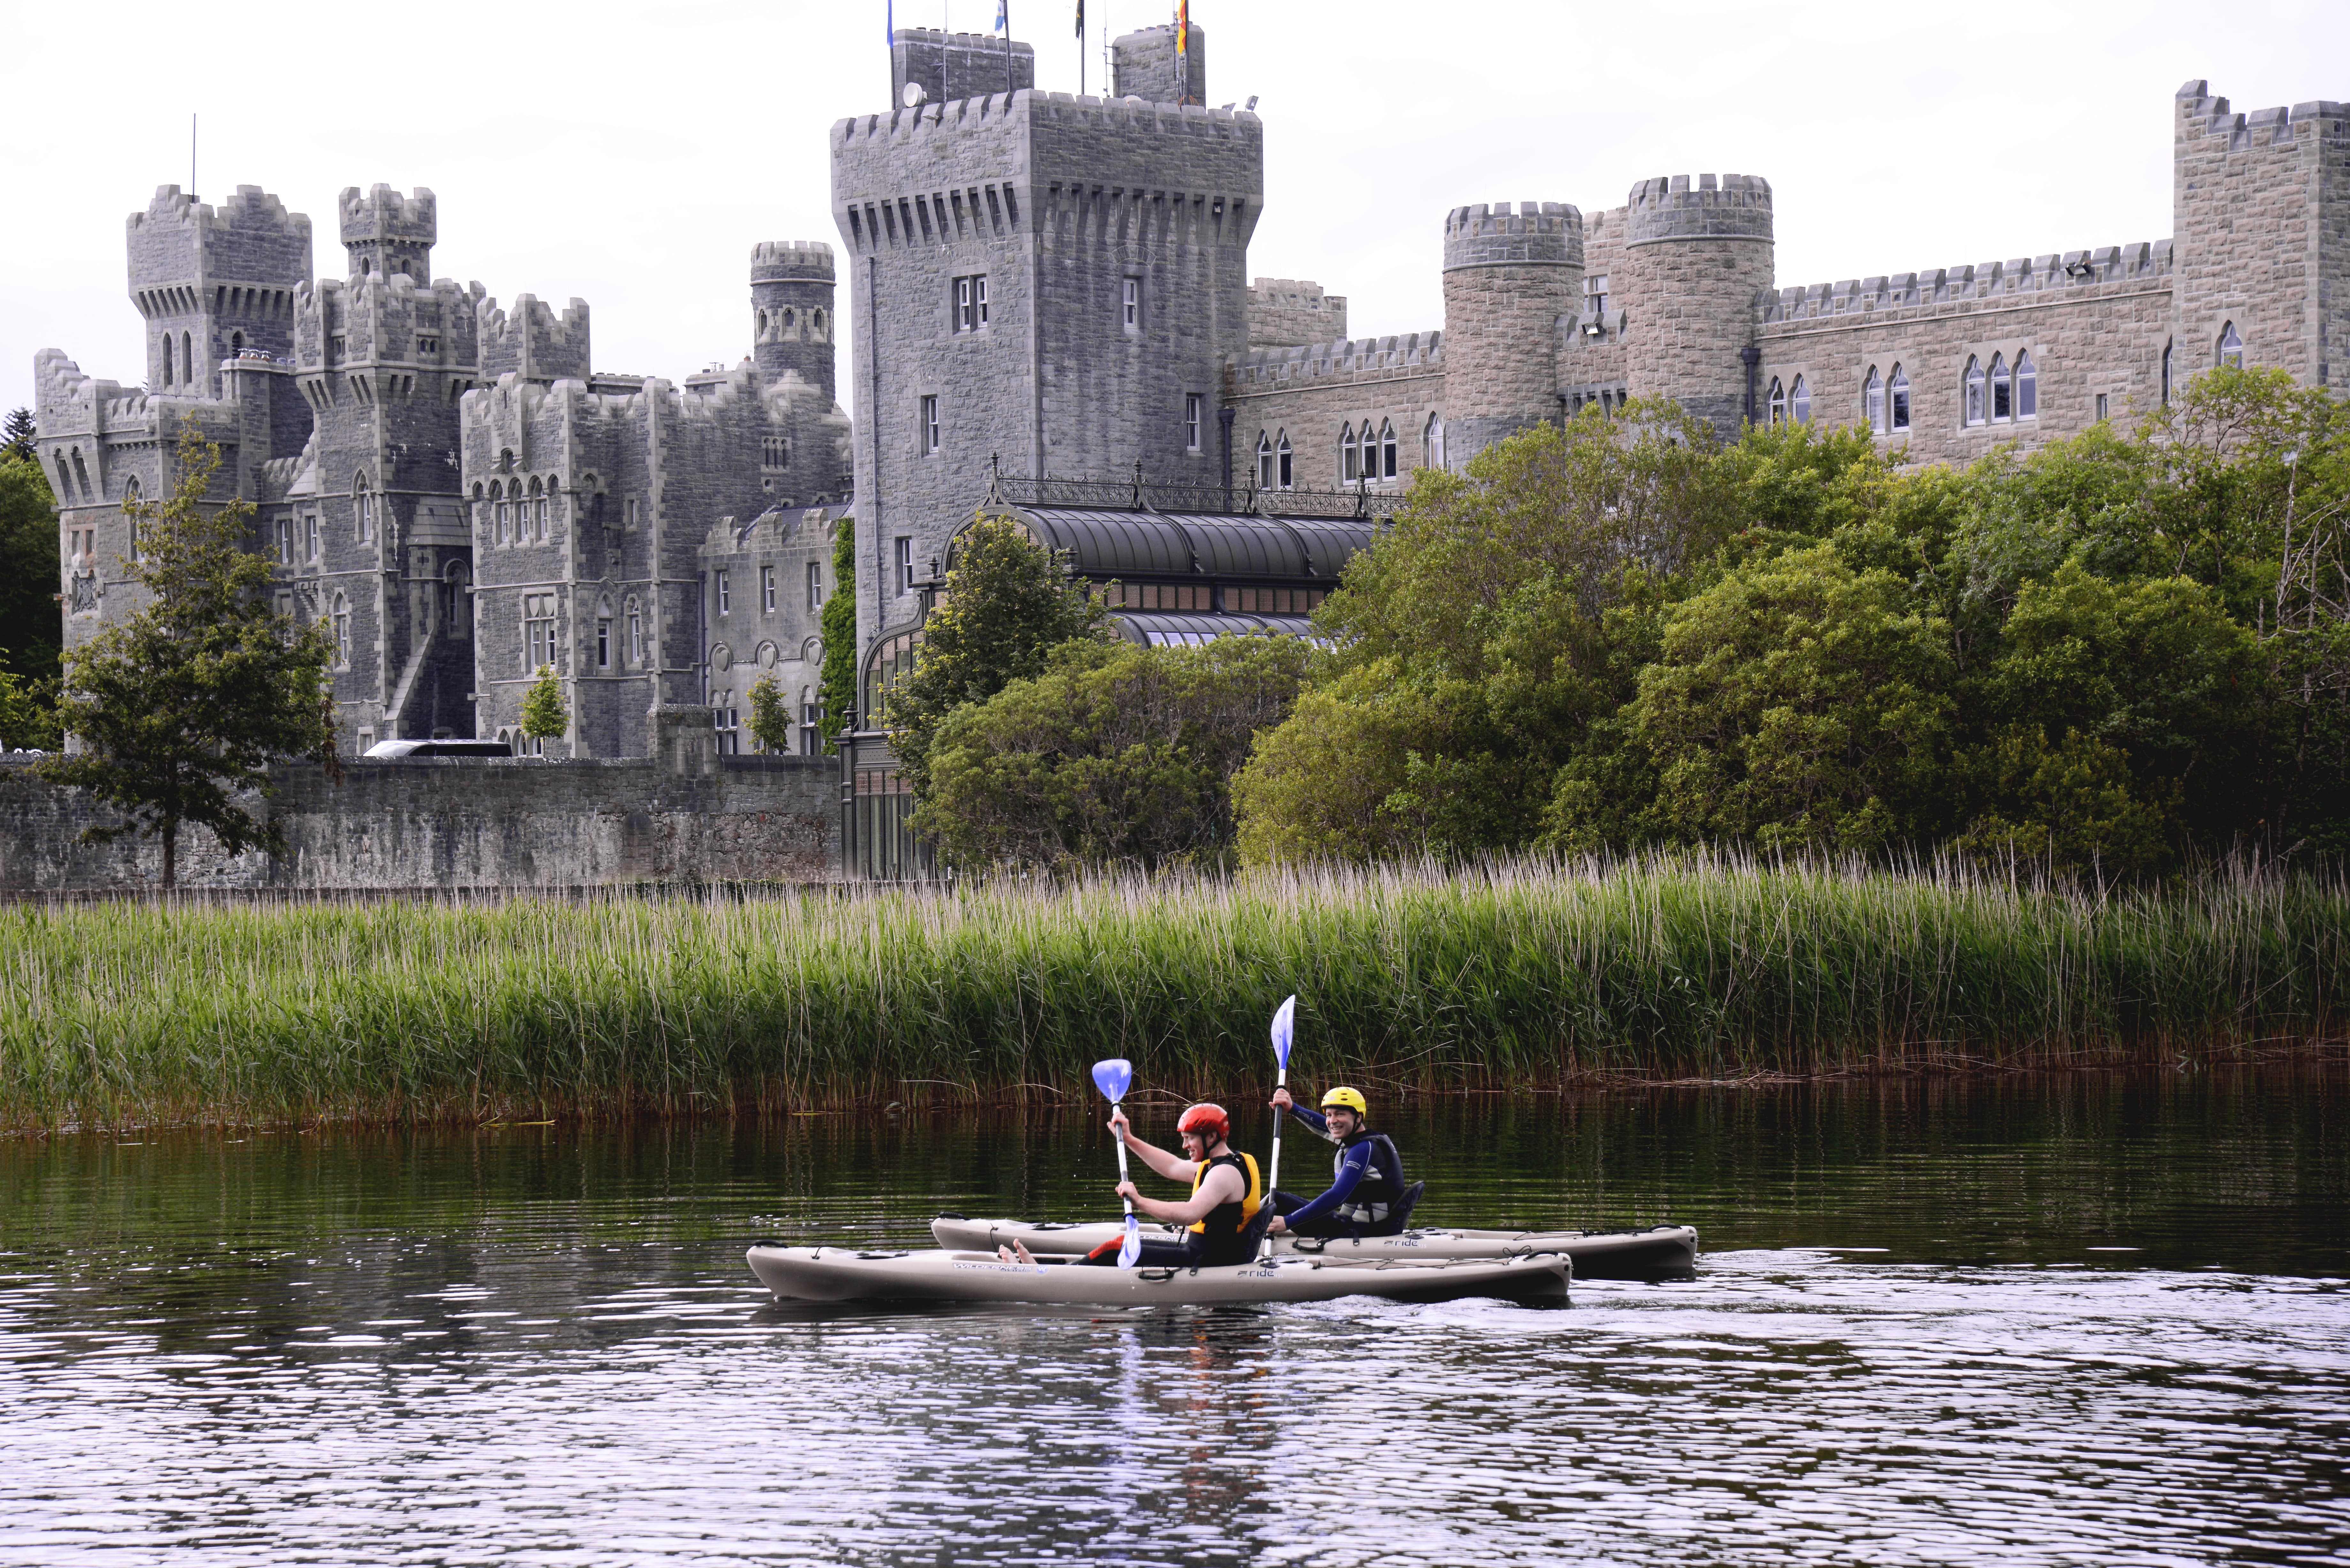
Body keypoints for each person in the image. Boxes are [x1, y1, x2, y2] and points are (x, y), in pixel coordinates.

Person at [1088, 1101, 1265, 1268]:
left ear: (1212, 1136)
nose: (1184, 1145)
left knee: (1114, 1249)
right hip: (1204, 1253)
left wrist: (1140, 1201)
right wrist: (1129, 1139)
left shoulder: (1224, 1173)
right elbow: (1173, 1166)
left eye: (1190, 1138)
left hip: (1208, 1261)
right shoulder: (1230, 1163)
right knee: (1123, 1242)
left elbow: (1190, 1214)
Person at [1264, 1086, 1410, 1238]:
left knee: (1277, 1201)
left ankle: (1244, 1238)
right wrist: (1293, 1108)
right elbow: (1323, 1126)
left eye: (1340, 1114)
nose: (1333, 1121)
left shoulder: (1362, 1149)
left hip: (1363, 1231)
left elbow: (1337, 1196)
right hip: (1360, 1225)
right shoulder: (1365, 1140)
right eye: (1329, 1115)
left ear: (1358, 1117)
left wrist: (1288, 1222)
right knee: (1279, 1198)